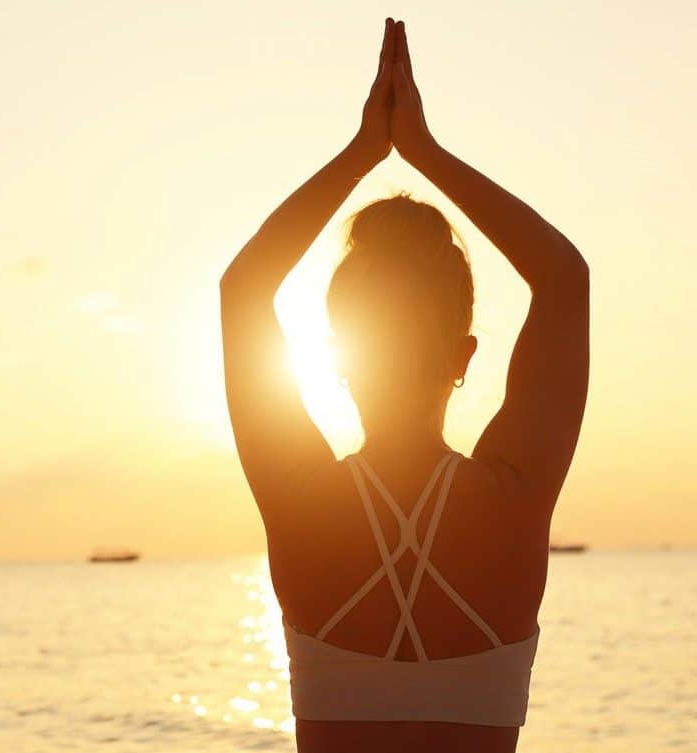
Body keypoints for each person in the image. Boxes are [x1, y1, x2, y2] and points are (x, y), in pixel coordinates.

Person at [219, 17, 589, 753]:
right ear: (464, 353)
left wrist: (365, 152)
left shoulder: (301, 502)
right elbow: (563, 279)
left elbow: (243, 288)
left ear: (340, 356)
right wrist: (424, 151)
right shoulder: (513, 498)